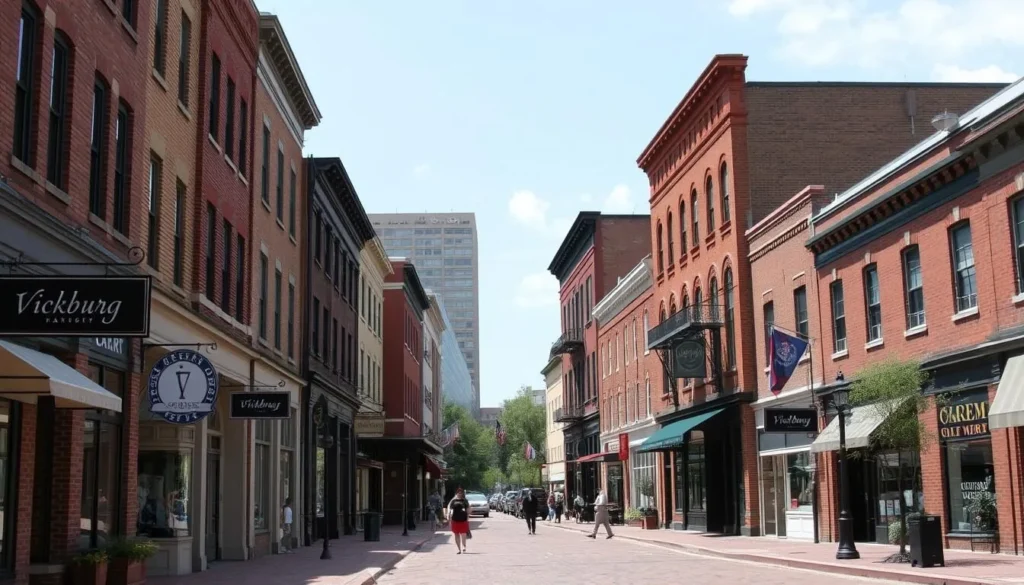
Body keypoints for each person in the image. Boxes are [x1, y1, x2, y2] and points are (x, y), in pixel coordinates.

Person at [446, 488, 470, 554]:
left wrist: (468, 517)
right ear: (456, 494)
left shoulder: (465, 501)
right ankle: (459, 549)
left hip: (463, 520)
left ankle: (464, 547)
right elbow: (450, 509)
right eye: (458, 493)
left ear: (462, 494)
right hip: (455, 520)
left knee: (463, 534)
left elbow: (468, 509)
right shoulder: (453, 501)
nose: (459, 494)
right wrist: (448, 515)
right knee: (456, 534)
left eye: (461, 493)